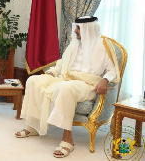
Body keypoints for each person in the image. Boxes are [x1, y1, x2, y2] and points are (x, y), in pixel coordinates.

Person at [15, 16, 120, 158]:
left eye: (79, 28)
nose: (75, 30)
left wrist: (105, 80)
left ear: (88, 29)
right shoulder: (74, 44)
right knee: (33, 80)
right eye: (75, 27)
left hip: (87, 85)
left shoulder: (103, 47)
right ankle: (34, 126)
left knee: (65, 88)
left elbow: (112, 70)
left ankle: (67, 138)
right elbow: (61, 63)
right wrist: (53, 72)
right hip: (65, 78)